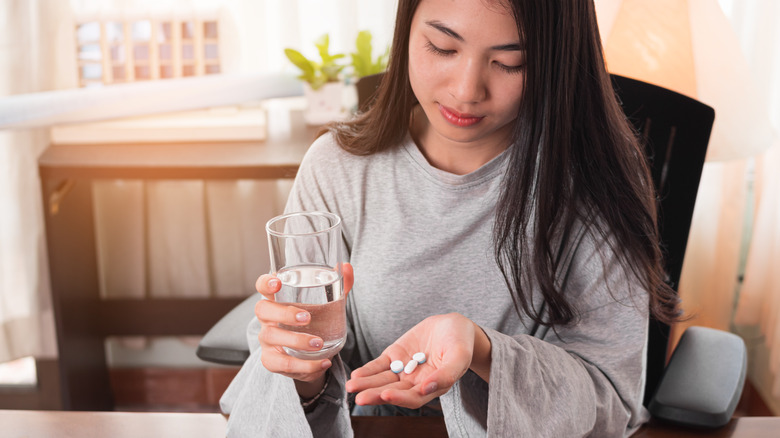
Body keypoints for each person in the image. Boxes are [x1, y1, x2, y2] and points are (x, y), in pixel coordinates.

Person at [220, 0, 680, 436]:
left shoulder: (598, 181)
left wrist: (481, 350)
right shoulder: (336, 168)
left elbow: (612, 403)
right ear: (406, 30)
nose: (466, 90)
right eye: (442, 47)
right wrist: (303, 373)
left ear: (556, 58)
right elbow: (298, 387)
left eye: (510, 62)